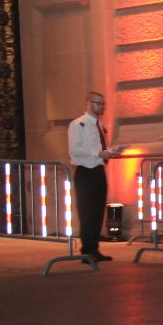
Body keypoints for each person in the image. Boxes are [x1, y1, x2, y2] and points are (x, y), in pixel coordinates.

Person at [68, 91, 124, 261]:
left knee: (98, 211)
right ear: (88, 103)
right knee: (87, 212)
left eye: (103, 103)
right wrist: (99, 153)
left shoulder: (99, 124)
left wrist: (111, 152)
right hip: (86, 171)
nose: (101, 106)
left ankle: (94, 248)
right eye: (98, 103)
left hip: (99, 169)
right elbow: (75, 150)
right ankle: (87, 251)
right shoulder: (78, 124)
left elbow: (100, 147)